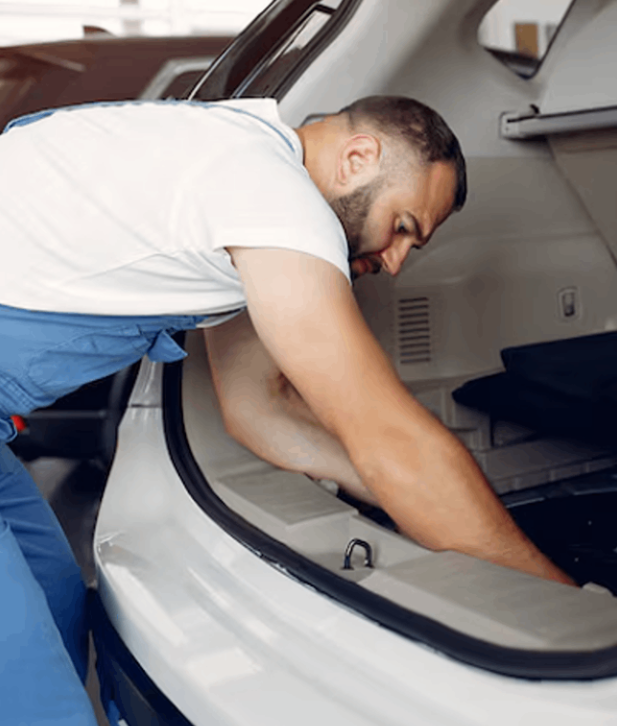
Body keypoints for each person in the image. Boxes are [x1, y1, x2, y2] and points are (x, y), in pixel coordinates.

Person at [0, 95, 571, 725]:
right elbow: (393, 441)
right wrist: (567, 607)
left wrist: (395, 502)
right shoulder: (274, 199)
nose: (397, 260)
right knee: (39, 701)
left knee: (57, 607)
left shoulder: (242, 173)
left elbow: (259, 409)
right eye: (404, 226)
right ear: (358, 158)